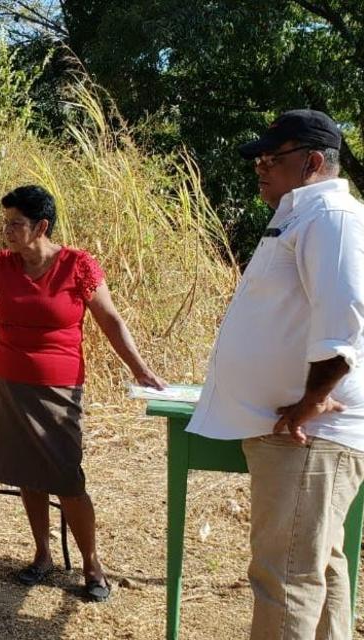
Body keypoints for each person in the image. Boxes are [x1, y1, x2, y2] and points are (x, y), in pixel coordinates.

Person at [186, 110, 364, 639]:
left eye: (273, 157)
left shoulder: (331, 217)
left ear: (312, 161)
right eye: (259, 159)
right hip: (299, 432)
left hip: (309, 434)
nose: (260, 167)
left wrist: (311, 402)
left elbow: (344, 320)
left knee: (284, 578)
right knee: (317, 571)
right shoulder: (300, 216)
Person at [0, 185, 164, 602]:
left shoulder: (77, 265)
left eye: (16, 224)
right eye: (6, 224)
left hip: (59, 387)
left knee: (66, 477)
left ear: (42, 226)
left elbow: (110, 319)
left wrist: (140, 369)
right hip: (9, 383)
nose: (7, 232)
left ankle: (92, 564)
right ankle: (42, 555)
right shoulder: (1, 265)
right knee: (26, 473)